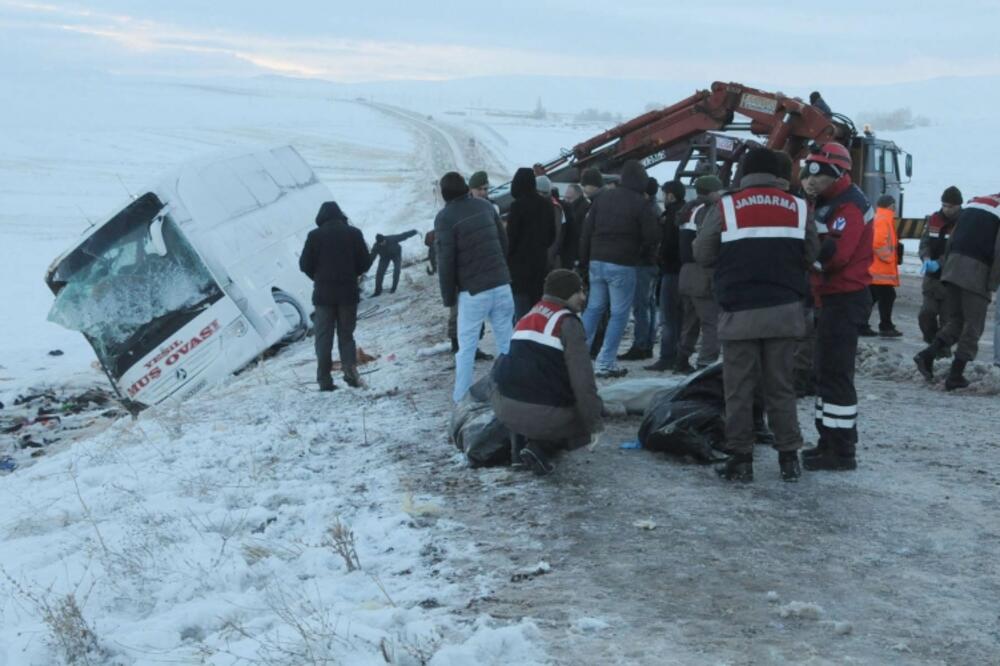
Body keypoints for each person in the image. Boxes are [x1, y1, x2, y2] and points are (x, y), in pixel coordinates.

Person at [694, 148, 819, 482]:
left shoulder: (727, 206)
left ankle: (741, 460)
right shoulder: (799, 206)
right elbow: (812, 253)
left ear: (746, 173)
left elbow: (702, 252)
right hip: (784, 312)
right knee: (780, 386)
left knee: (738, 388)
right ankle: (789, 458)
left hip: (739, 313)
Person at [800, 142, 873, 472]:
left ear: (838, 175)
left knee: (836, 375)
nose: (811, 181)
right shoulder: (828, 203)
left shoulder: (849, 207)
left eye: (819, 175)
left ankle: (842, 451)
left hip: (844, 298)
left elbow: (838, 257)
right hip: (831, 298)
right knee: (825, 373)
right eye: (808, 173)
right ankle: (827, 441)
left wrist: (807, 259)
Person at [492, 269, 604, 475]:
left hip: (504, 408)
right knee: (584, 414)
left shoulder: (529, 315)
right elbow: (583, 381)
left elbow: (503, 366)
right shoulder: (567, 323)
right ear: (565, 293)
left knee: (525, 383)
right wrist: (594, 422)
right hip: (541, 414)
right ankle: (540, 448)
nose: (583, 297)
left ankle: (518, 449)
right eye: (579, 291)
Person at [434, 172, 515, 403]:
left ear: (444, 193)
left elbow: (445, 261)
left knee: (466, 347)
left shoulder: (444, 218)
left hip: (473, 291)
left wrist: (448, 297)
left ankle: (461, 398)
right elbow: (503, 241)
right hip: (501, 284)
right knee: (506, 341)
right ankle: (510, 391)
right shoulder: (486, 206)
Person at [579, 160, 661, 377]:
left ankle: (577, 356)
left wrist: (584, 261)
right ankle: (605, 362)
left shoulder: (603, 197)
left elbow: (587, 232)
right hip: (622, 263)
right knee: (618, 314)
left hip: (596, 261)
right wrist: (641, 253)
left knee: (594, 308)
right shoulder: (640, 203)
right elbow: (652, 236)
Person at [914, 193, 1000, 389]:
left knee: (957, 320)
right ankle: (956, 375)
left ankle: (926, 355)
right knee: (973, 326)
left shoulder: (975, 203)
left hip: (952, 268)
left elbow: (953, 237)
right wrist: (992, 283)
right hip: (976, 272)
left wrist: (946, 266)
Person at [299, 201, 372, 391]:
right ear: (340, 215)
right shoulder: (353, 233)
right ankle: (350, 373)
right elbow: (365, 262)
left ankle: (324, 380)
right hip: (348, 293)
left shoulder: (314, 236)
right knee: (346, 335)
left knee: (323, 337)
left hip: (323, 295)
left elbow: (304, 265)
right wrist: (352, 273)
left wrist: (318, 276)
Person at [676, 174, 724, 373]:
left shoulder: (688, 209)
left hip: (685, 272)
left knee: (690, 321)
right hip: (702, 273)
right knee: (712, 322)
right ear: (713, 191)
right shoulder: (710, 211)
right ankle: (706, 364)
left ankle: (681, 359)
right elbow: (709, 245)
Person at [620, 177, 662, 361]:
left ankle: (641, 345)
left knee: (640, 306)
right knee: (649, 305)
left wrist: (634, 252)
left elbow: (648, 239)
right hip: (651, 264)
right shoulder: (655, 209)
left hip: (643, 264)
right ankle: (648, 343)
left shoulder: (647, 210)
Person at [646, 180, 687, 371]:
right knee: (680, 317)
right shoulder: (686, 212)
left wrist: (660, 258)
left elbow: (669, 243)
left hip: (671, 270)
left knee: (668, 316)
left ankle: (666, 356)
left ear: (671, 195)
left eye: (665, 193)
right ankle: (680, 355)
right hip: (683, 270)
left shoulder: (671, 215)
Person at [507, 168, 556, 320]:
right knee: (538, 310)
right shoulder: (547, 205)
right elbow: (552, 236)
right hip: (540, 264)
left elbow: (511, 238)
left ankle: (522, 339)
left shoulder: (516, 206)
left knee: (521, 314)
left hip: (519, 268)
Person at [918, 186, 963, 346]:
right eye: (944, 205)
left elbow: (958, 250)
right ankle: (931, 341)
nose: (947, 209)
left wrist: (940, 263)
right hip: (932, 279)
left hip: (951, 279)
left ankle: (942, 350)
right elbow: (924, 242)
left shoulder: (964, 223)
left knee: (948, 320)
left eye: (950, 206)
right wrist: (926, 258)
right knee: (926, 314)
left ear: (958, 206)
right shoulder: (933, 219)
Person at [866, 195, 902, 337]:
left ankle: (862, 324)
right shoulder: (884, 220)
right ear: (891, 206)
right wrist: (888, 257)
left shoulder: (880, 218)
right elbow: (878, 242)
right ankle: (885, 326)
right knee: (888, 297)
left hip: (877, 270)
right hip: (880, 270)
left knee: (872, 298)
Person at [369, 229, 418, 296]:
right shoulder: (376, 246)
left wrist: (414, 232)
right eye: (380, 243)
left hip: (396, 254)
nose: (382, 244)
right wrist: (366, 264)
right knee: (379, 273)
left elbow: (403, 235)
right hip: (384, 257)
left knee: (397, 270)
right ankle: (377, 291)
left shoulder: (391, 238)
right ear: (378, 243)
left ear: (384, 239)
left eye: (383, 242)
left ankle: (393, 288)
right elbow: (372, 256)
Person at [560, 183, 588, 269]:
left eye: (569, 198)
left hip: (576, 254)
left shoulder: (584, 209)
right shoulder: (576, 207)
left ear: (578, 196)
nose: (566, 201)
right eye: (565, 198)